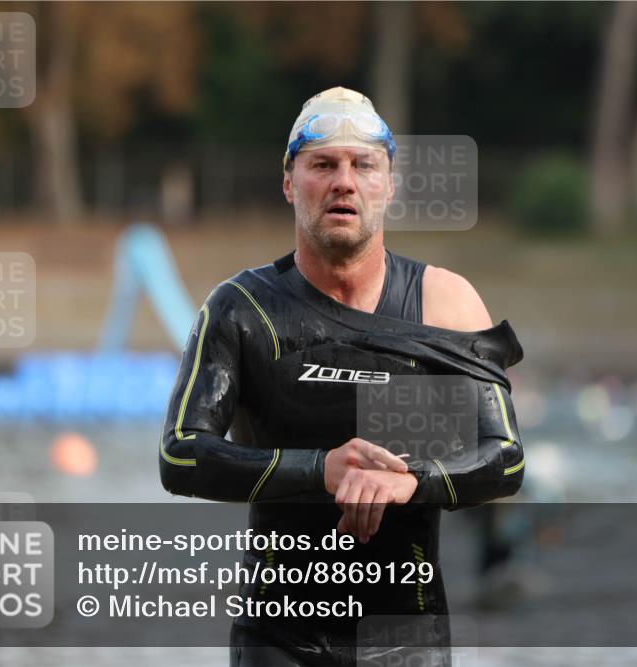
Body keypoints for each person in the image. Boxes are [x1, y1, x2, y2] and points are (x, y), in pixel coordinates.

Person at [159, 86, 525, 666]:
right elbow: (180, 454)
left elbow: (504, 459)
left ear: (389, 184)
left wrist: (415, 481)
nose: (344, 182)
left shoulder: (443, 303)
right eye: (323, 165)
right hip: (278, 639)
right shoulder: (242, 309)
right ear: (289, 182)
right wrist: (319, 469)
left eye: (364, 165)